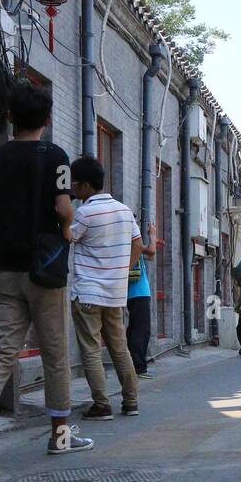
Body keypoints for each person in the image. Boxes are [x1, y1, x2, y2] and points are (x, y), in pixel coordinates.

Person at [0, 80, 92, 468]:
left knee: (2, 353)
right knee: (55, 354)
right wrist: (63, 229)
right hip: (45, 272)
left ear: (11, 117)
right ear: (47, 118)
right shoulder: (57, 157)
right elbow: (65, 209)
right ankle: (60, 437)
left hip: (3, 270)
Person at [68, 156, 156, 422]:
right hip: (115, 294)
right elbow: (139, 245)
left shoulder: (85, 212)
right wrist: (122, 272)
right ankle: (131, 401)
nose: (72, 189)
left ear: (84, 185)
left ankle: (102, 405)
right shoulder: (124, 210)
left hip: (88, 293)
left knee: (92, 349)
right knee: (120, 348)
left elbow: (68, 236)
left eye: (74, 184)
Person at [126, 217, 157, 378]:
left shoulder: (125, 243)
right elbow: (151, 251)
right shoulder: (132, 244)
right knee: (141, 330)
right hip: (138, 291)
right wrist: (152, 235)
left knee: (133, 329)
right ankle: (138, 367)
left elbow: (150, 256)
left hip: (131, 292)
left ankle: (133, 363)